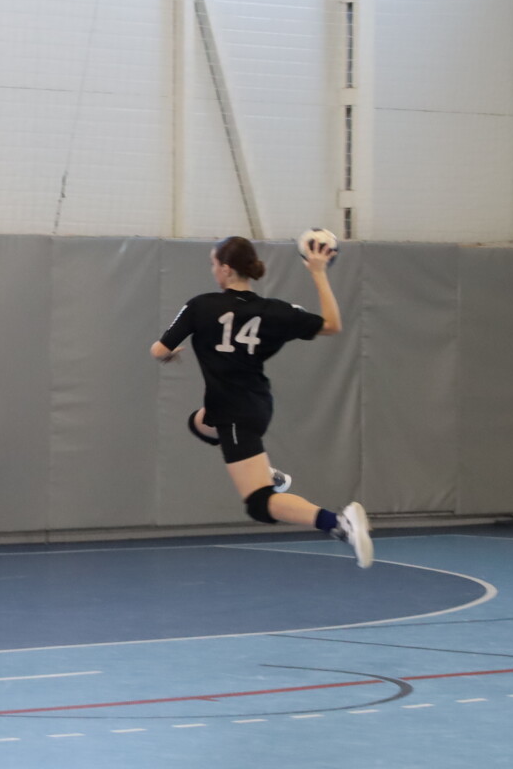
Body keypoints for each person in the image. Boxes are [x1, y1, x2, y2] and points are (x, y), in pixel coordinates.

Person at [151, 236, 372, 567]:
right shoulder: (274, 311)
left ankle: (339, 522)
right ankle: (263, 471)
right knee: (200, 423)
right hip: (256, 405)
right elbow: (332, 324)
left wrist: (168, 356)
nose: (213, 270)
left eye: (214, 264)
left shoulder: (200, 306)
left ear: (226, 269)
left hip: (233, 412)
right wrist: (318, 272)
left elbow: (159, 350)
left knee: (258, 503)